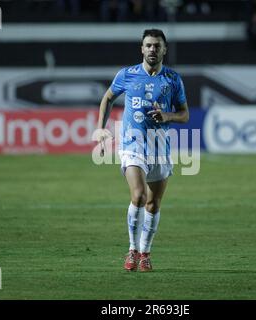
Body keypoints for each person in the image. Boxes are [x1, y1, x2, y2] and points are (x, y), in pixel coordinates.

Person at [96, 29, 189, 272]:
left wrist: (167, 115)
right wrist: (101, 128)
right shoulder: (127, 75)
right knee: (138, 195)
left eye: (157, 46)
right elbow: (107, 98)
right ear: (141, 48)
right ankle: (131, 249)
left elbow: (185, 114)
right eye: (148, 45)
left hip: (160, 146)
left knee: (153, 203)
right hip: (132, 143)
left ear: (164, 50)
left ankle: (145, 253)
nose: (152, 50)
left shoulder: (173, 79)